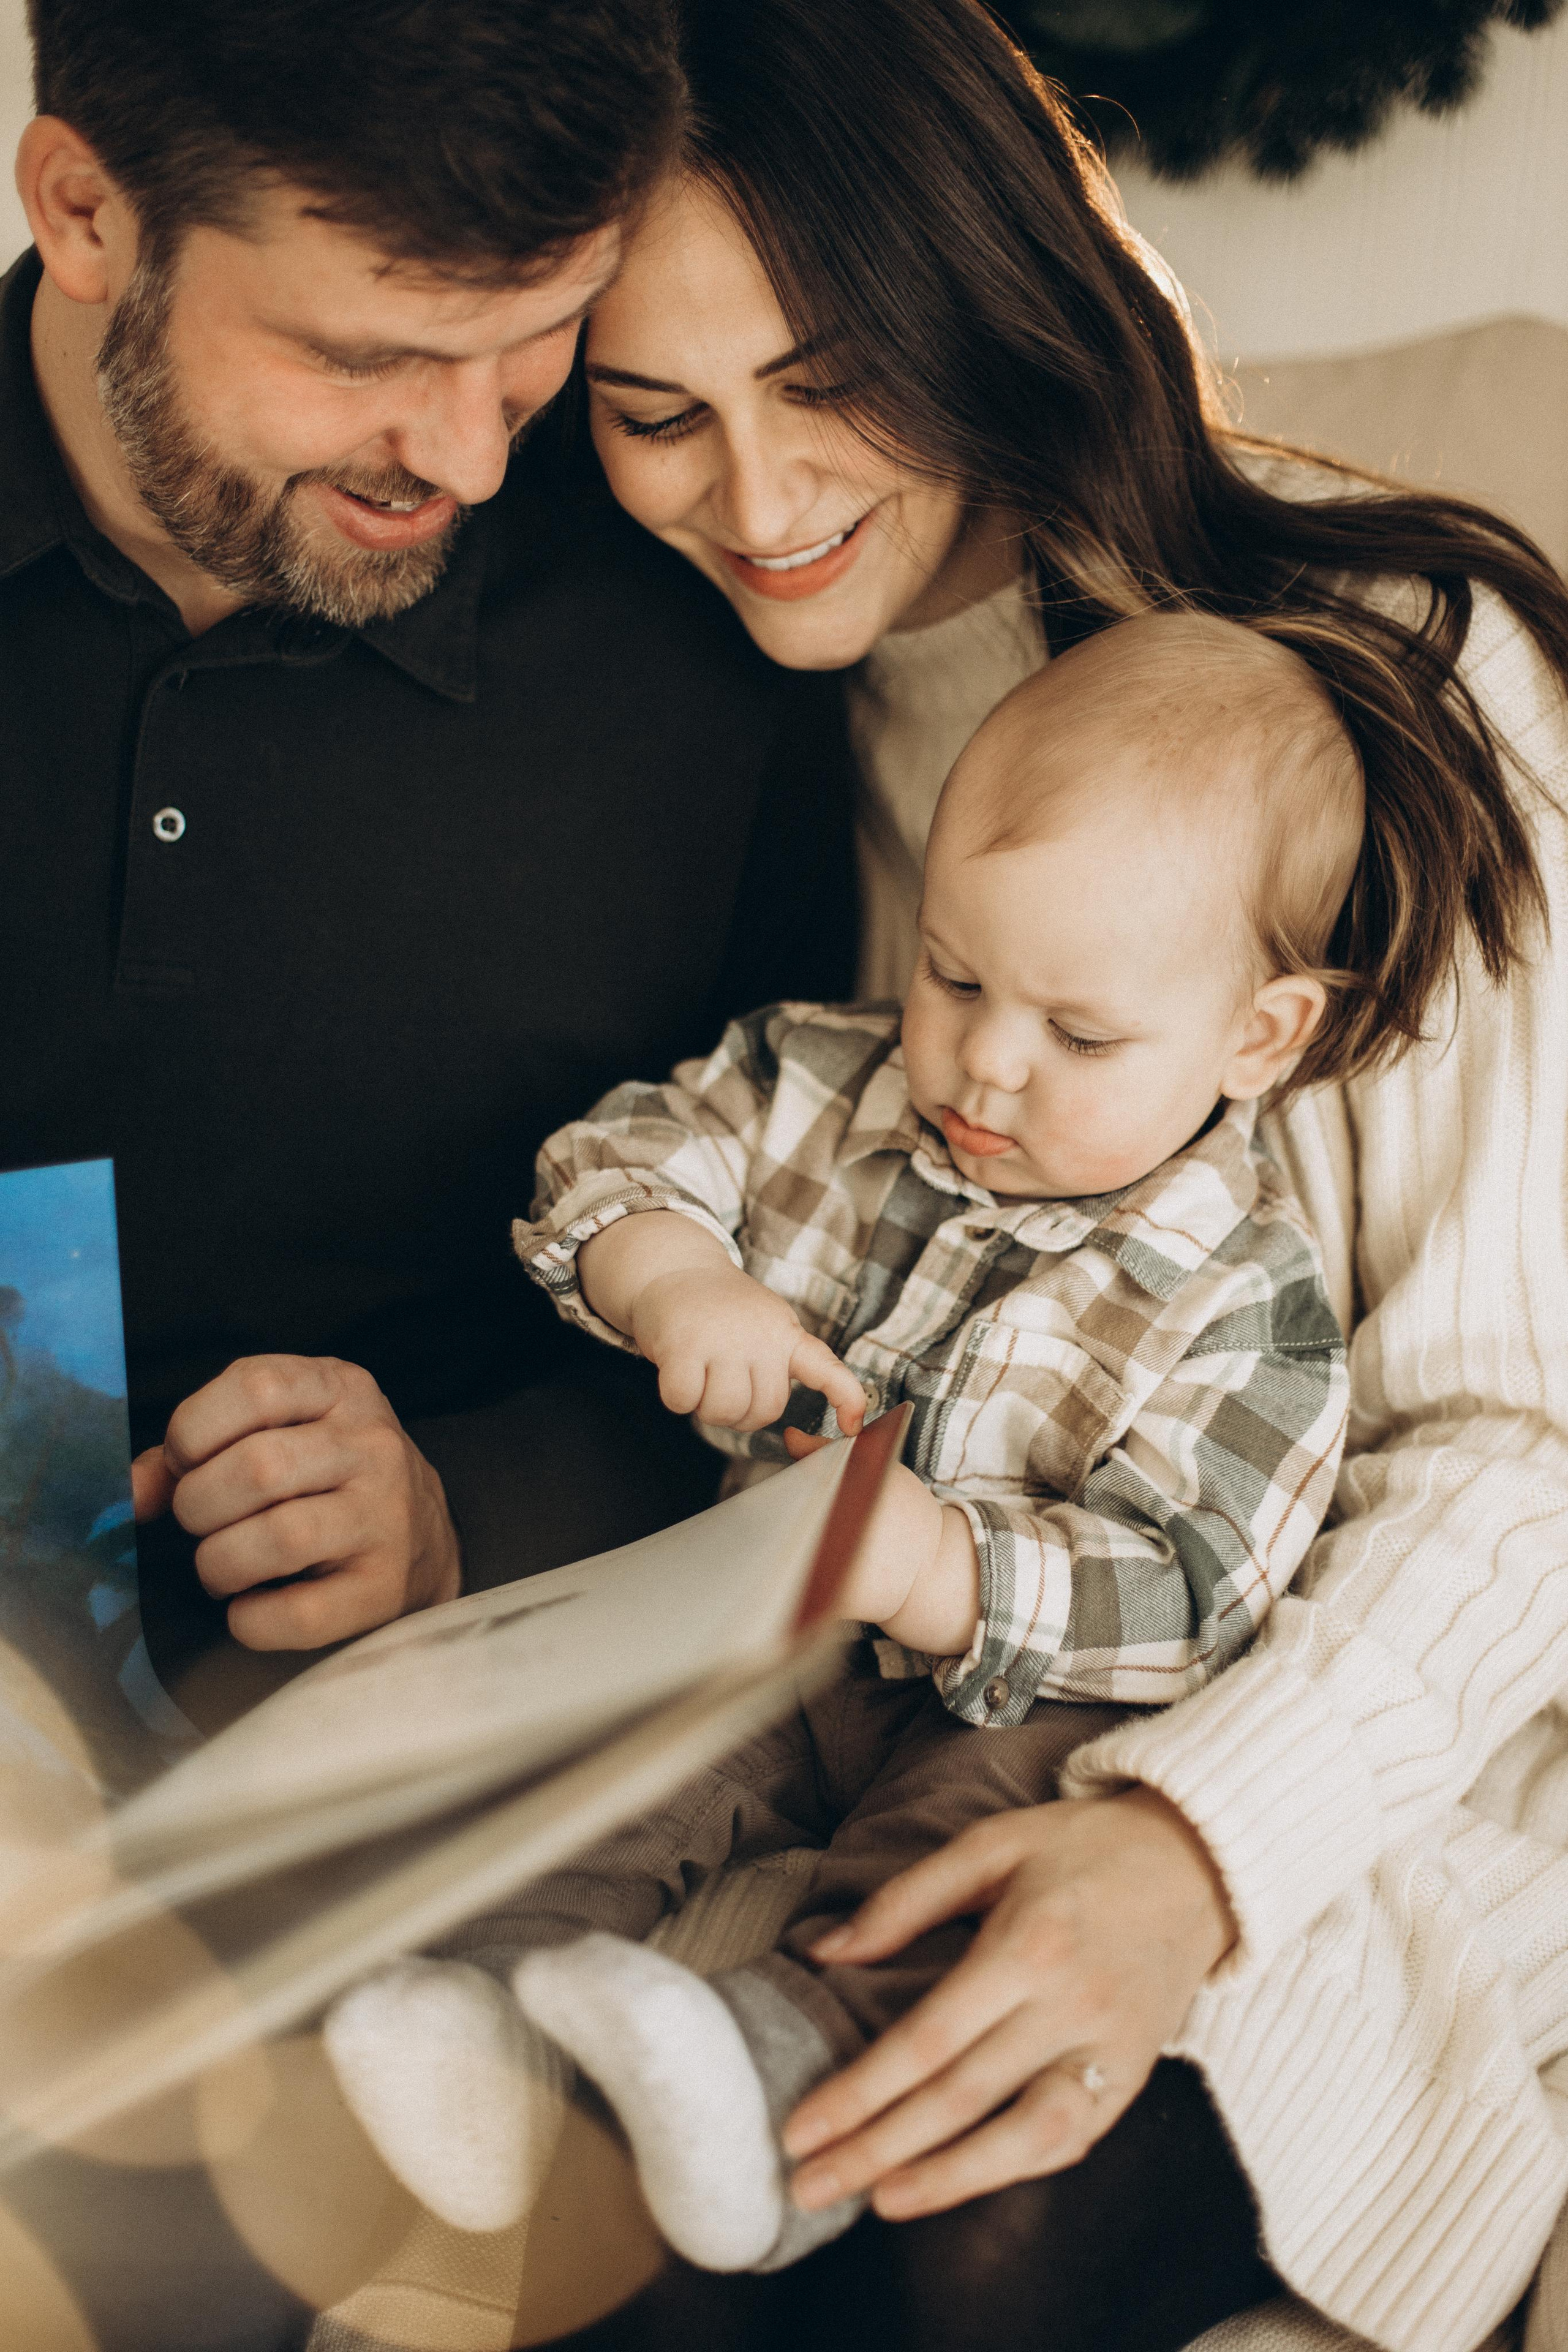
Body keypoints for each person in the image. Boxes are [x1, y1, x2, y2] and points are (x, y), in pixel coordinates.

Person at [515, 1, 1568, 2347]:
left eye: (828, 380)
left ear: (987, 296)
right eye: (652, 412)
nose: (758, 501)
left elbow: (1522, 1452)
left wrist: (1199, 1845)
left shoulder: (1407, 682)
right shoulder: (721, 725)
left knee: (960, 2215)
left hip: (1380, 1744)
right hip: (885, 1692)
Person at [334, 595, 1531, 2275]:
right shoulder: (822, 1088)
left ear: (1259, 1037)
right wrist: (680, 1283)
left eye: (1080, 1033)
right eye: (953, 973)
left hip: (1014, 1705)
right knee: (595, 1761)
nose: (982, 1060)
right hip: (760, 1625)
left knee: (966, 1873)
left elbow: (1200, 1589)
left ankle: (775, 2072)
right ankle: (458, 2019)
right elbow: (609, 1164)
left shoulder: (1252, 1299)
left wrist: (952, 1570)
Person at [0, 7, 857, 2349]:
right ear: (82, 213)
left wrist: (465, 1499)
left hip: (403, 1776)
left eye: (537, 344)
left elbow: (836, 1295)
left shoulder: (707, 636)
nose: (475, 457)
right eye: (379, 356)